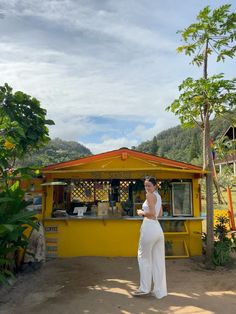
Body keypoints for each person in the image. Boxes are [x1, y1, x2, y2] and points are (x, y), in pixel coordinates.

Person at [132, 176, 167, 299]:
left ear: (155, 186)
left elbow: (151, 214)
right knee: (158, 259)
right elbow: (160, 214)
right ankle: (159, 290)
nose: (147, 188)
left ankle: (144, 288)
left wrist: (141, 212)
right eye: (145, 185)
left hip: (149, 227)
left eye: (149, 185)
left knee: (143, 257)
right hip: (158, 228)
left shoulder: (149, 196)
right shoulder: (158, 196)